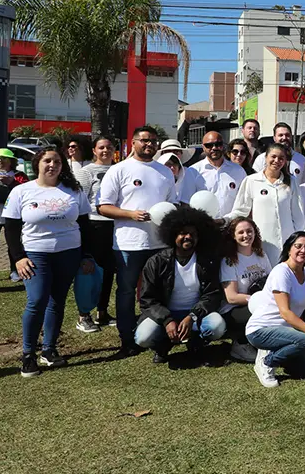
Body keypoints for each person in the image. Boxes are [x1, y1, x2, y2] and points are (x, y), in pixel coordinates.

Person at [3, 147, 94, 377]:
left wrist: (86, 255)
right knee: (37, 300)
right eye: (47, 161)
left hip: (69, 253)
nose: (52, 165)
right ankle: (28, 355)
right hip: (35, 254)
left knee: (57, 301)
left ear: (63, 166)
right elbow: (11, 228)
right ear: (37, 164)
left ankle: (49, 349)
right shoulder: (22, 191)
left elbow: (84, 224)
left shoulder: (74, 191)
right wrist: (19, 258)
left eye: (57, 161)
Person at [97, 126, 178, 356]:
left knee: (160, 292)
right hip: (129, 245)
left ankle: (157, 336)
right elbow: (103, 207)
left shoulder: (164, 172)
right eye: (144, 140)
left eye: (153, 141)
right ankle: (127, 338)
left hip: (160, 244)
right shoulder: (119, 170)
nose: (149, 144)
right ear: (133, 143)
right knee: (126, 291)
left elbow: (172, 204)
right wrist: (131, 214)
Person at [134, 205, 227, 365]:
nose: (188, 237)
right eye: (183, 233)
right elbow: (147, 300)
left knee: (217, 326)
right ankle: (162, 346)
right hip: (164, 314)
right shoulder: (156, 262)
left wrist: (192, 316)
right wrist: (167, 320)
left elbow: (212, 295)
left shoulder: (207, 261)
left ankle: (196, 343)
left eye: (193, 234)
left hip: (195, 314)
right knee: (143, 337)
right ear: (173, 234)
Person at [245, 232, 305, 387]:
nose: (303, 250)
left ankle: (273, 352)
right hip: (261, 329)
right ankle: (266, 362)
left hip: (286, 332)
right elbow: (285, 313)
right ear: (289, 249)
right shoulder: (281, 272)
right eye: (298, 246)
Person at [229, 143, 305, 262]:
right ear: (266, 158)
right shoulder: (251, 180)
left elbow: (298, 214)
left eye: (281, 158)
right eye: (273, 157)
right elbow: (241, 211)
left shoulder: (292, 181)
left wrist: (299, 241)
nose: (277, 161)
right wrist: (223, 221)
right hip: (263, 244)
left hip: (288, 243)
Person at [74, 137, 117, 330]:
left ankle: (102, 312)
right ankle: (84, 315)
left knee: (108, 271)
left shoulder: (119, 169)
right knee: (90, 272)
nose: (105, 151)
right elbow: (79, 200)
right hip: (93, 225)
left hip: (115, 226)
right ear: (94, 150)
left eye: (109, 147)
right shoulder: (86, 172)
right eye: (101, 148)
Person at [220, 216, 272, 363]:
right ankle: (240, 345)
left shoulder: (261, 255)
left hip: (258, 303)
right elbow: (231, 297)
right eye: (241, 232)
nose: (246, 236)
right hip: (234, 309)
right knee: (263, 313)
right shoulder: (229, 261)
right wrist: (257, 300)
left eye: (249, 231)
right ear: (233, 236)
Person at [0, 148, 29, 284]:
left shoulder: (19, 175)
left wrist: (12, 182)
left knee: (13, 243)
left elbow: (26, 191)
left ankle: (14, 270)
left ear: (11, 161)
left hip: (12, 214)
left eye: (4, 159)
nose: (0, 161)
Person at [187, 132, 247, 219]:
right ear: (203, 148)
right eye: (209, 145)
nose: (214, 148)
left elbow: (244, 202)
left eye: (218, 144)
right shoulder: (193, 171)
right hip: (204, 226)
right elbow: (186, 202)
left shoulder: (238, 171)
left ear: (223, 146)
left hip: (231, 225)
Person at [156, 140, 202, 204]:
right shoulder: (153, 174)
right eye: (167, 152)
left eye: (176, 152)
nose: (172, 154)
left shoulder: (192, 173)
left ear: (181, 154)